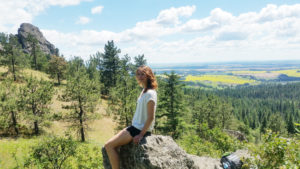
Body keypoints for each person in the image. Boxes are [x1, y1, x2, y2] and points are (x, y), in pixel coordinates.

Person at [104, 65, 158, 169]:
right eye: (138, 74)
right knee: (112, 144)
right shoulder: (144, 91)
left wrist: (141, 135)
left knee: (109, 146)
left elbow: (151, 117)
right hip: (134, 127)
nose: (140, 76)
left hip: (138, 130)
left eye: (143, 74)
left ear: (149, 75)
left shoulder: (150, 93)